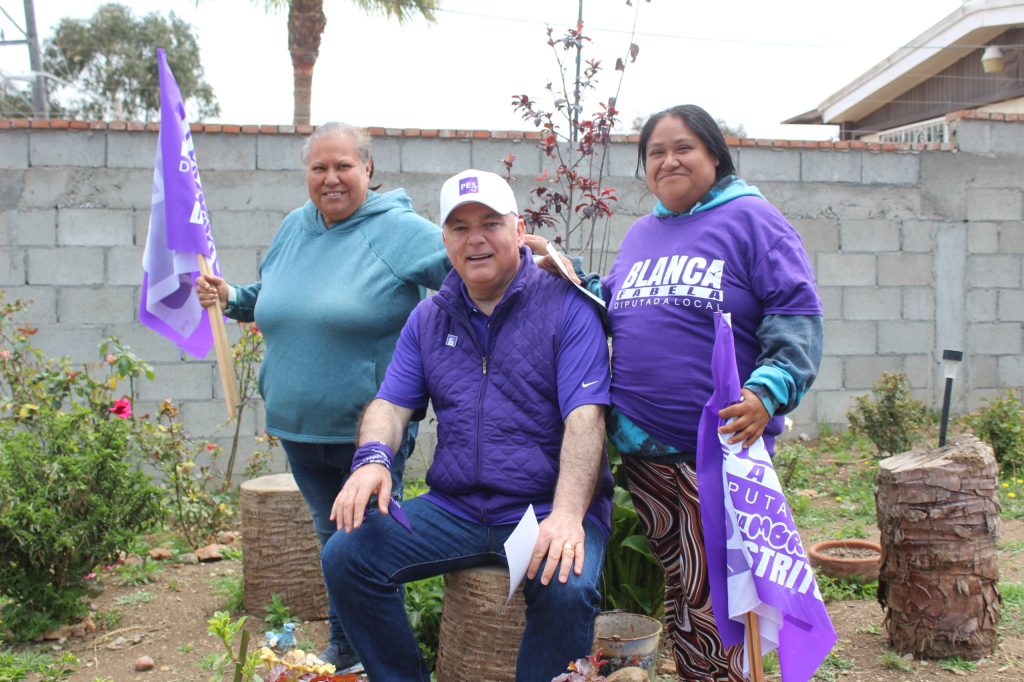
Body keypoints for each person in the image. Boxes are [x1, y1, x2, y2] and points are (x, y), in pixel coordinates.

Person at [530, 104, 823, 681]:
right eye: (656, 152)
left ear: (715, 154)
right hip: (645, 452)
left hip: (717, 452)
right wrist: (563, 271)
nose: (669, 160)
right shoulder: (644, 232)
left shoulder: (753, 220)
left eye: (683, 147)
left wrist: (769, 391)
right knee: (687, 588)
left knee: (724, 595)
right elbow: (614, 304)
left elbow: (796, 313)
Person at [320, 169, 614, 681]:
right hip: (455, 509)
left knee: (567, 586)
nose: (475, 239)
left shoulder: (566, 306)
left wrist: (567, 516)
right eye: (459, 227)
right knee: (348, 554)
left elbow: (585, 418)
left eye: (490, 223)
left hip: (545, 504)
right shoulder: (430, 317)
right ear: (445, 240)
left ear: (519, 230)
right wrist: (371, 460)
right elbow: (389, 404)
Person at [196, 122, 449, 674]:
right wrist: (233, 296)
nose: (331, 178)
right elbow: (278, 293)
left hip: (368, 433)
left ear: (368, 170)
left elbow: (472, 264)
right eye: (319, 168)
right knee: (331, 540)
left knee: (368, 544)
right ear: (306, 175)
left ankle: (380, 656)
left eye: (343, 167)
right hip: (298, 426)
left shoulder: (400, 231)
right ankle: (350, 649)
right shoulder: (295, 226)